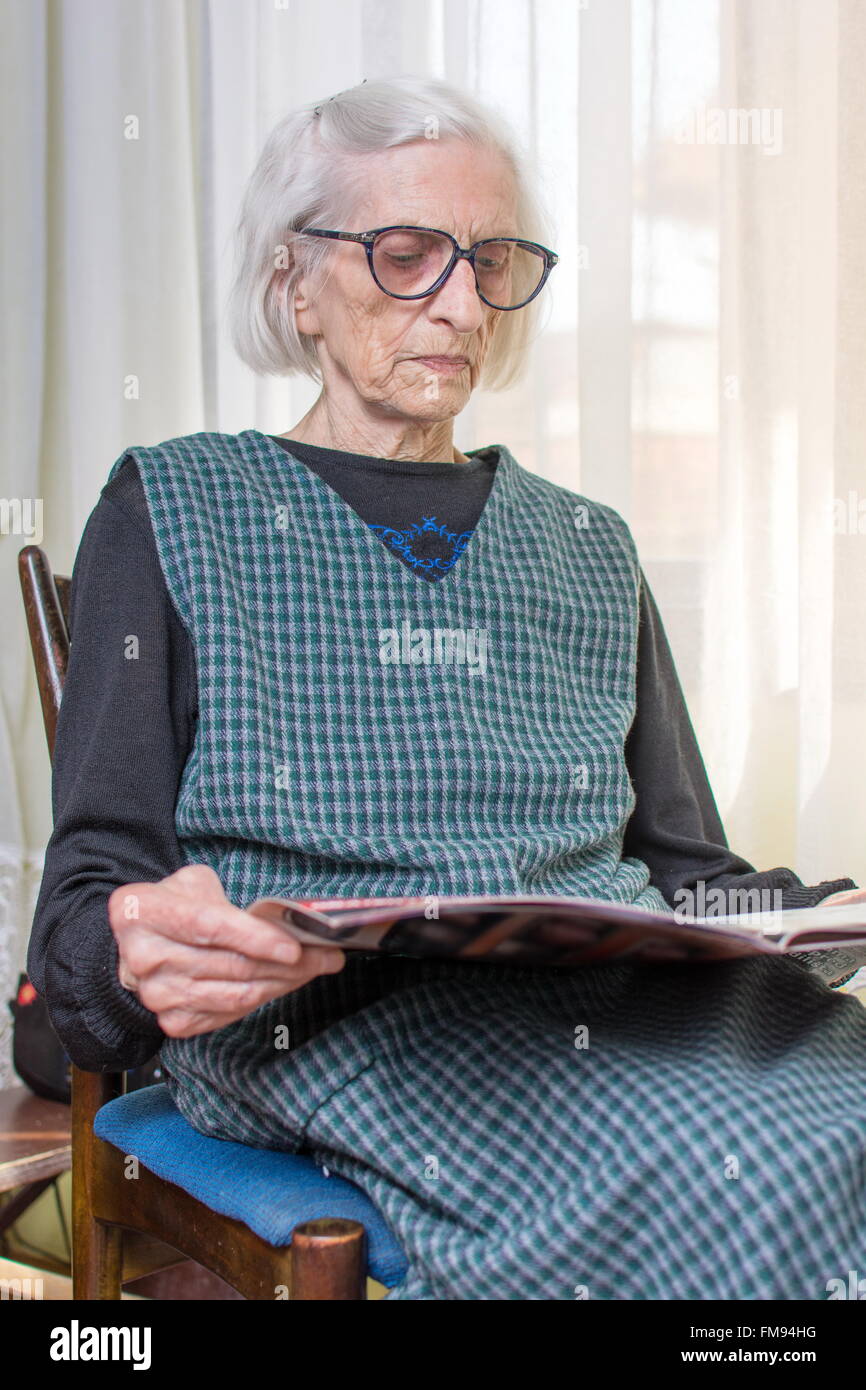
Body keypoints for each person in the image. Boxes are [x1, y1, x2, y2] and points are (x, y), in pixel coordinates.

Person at [29, 76, 866, 1301]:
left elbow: (685, 866)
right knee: (716, 1161)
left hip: (620, 1006)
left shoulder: (588, 543)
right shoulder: (169, 505)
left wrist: (807, 918)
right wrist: (132, 959)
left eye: (492, 260)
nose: (462, 303)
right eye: (407, 253)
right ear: (292, 284)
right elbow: (86, 924)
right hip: (323, 1018)